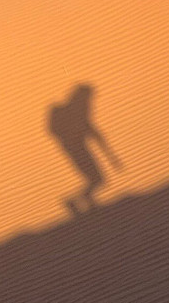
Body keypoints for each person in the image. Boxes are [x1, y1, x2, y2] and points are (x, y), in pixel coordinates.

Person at [48, 85, 121, 216]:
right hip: (75, 149)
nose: (90, 101)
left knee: (96, 179)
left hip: (79, 148)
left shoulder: (81, 115)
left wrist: (112, 157)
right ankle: (75, 202)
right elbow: (56, 131)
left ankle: (85, 204)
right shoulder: (69, 113)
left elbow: (95, 134)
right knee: (97, 179)